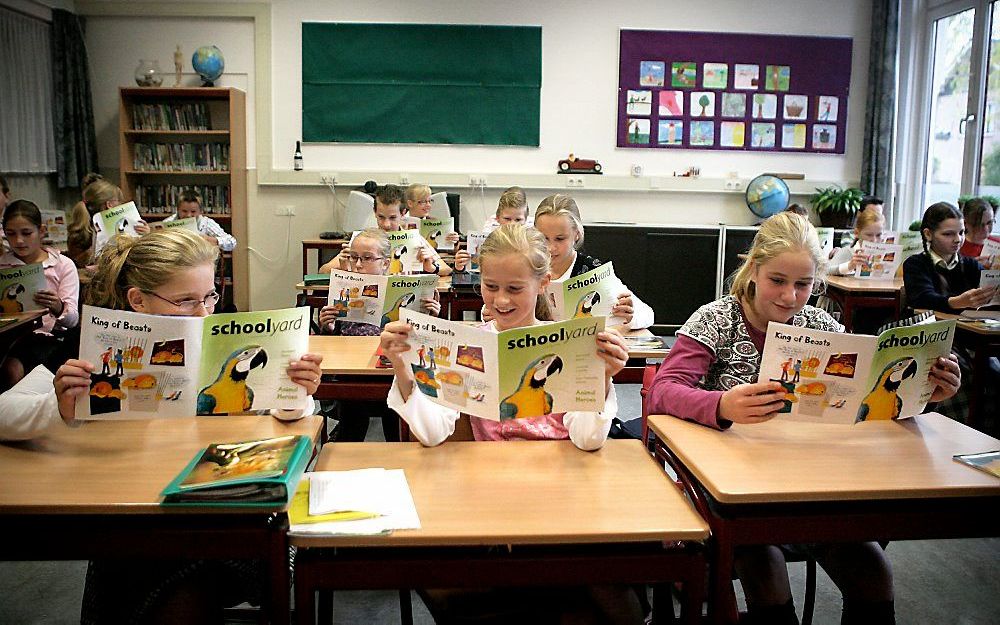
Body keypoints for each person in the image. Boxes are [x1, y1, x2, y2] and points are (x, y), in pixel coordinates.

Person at [647, 212, 961, 625]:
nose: (791, 297)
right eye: (777, 280)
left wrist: (926, 393)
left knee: (874, 572)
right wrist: (722, 405)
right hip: (732, 492)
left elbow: (868, 401)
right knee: (766, 567)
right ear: (754, 269)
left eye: (804, 284)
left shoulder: (818, 324)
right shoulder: (716, 320)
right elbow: (660, 392)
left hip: (811, 484)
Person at [0, 228, 324, 621]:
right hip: (132, 513)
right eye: (186, 301)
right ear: (137, 299)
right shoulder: (90, 344)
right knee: (159, 578)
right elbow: (5, 412)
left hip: (218, 509)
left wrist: (296, 395)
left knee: (192, 578)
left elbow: (278, 420)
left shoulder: (220, 332)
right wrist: (60, 408)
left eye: (209, 296)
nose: (204, 312)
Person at [380, 223, 641, 623]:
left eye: (515, 289)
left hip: (563, 492)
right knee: (431, 567)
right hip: (489, 493)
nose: (500, 300)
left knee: (600, 572)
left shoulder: (570, 343)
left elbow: (588, 440)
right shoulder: (466, 343)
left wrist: (603, 376)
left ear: (544, 283)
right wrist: (403, 366)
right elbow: (433, 434)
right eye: (490, 286)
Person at [317, 228, 440, 442]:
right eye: (354, 257)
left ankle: (397, 446)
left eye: (366, 259)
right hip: (353, 367)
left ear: (385, 262)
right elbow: (333, 334)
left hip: (392, 367)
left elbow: (420, 339)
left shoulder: (401, 286)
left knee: (396, 420)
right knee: (353, 418)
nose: (357, 264)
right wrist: (327, 325)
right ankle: (346, 448)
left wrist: (431, 317)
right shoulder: (344, 285)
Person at [531, 193, 654, 330]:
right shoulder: (527, 267)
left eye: (560, 239)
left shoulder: (594, 271)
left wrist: (631, 315)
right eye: (544, 238)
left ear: (576, 234)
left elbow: (648, 314)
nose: (550, 248)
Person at [0, 200, 80, 390]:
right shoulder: (2, 265)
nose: (19, 241)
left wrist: (58, 306)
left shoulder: (62, 265)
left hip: (50, 337)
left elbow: (73, 320)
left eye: (26, 233)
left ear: (41, 231)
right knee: (9, 371)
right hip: (9, 337)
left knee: (14, 371)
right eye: (11, 234)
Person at [319, 184, 451, 275]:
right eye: (381, 217)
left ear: (403, 213)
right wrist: (343, 264)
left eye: (393, 218)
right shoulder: (363, 240)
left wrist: (431, 267)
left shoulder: (414, 239)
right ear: (374, 212)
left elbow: (446, 269)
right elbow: (323, 270)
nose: (386, 224)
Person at [902, 202, 996, 314]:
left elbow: (990, 297)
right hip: (931, 329)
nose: (958, 239)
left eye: (961, 232)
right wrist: (959, 302)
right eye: (948, 234)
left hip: (965, 329)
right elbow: (922, 298)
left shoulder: (971, 265)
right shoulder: (916, 264)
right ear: (928, 234)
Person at [161, 189, 237, 251]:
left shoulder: (206, 223)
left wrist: (212, 240)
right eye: (184, 211)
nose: (188, 215)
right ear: (178, 210)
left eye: (193, 212)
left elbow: (232, 242)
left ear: (200, 211)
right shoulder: (168, 222)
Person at [828, 206, 886, 276]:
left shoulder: (884, 253)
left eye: (878, 235)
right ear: (856, 233)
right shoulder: (848, 251)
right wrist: (849, 266)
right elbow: (825, 271)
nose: (874, 240)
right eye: (869, 235)